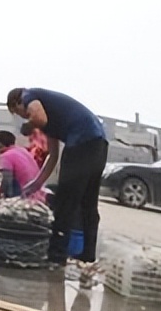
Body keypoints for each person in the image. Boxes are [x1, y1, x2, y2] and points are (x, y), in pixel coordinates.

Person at [7, 87, 108, 264]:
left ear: (18, 102)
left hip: (81, 142)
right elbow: (53, 155)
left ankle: (56, 255)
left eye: (19, 112)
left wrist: (28, 126)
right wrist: (37, 183)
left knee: (65, 202)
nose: (24, 116)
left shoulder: (29, 95)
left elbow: (38, 118)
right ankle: (88, 254)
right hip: (99, 144)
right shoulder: (51, 120)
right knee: (88, 202)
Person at [0, 130, 46, 203]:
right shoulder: (22, 150)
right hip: (38, 192)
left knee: (10, 185)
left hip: (24, 194)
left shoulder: (6, 156)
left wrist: (0, 193)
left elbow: (7, 180)